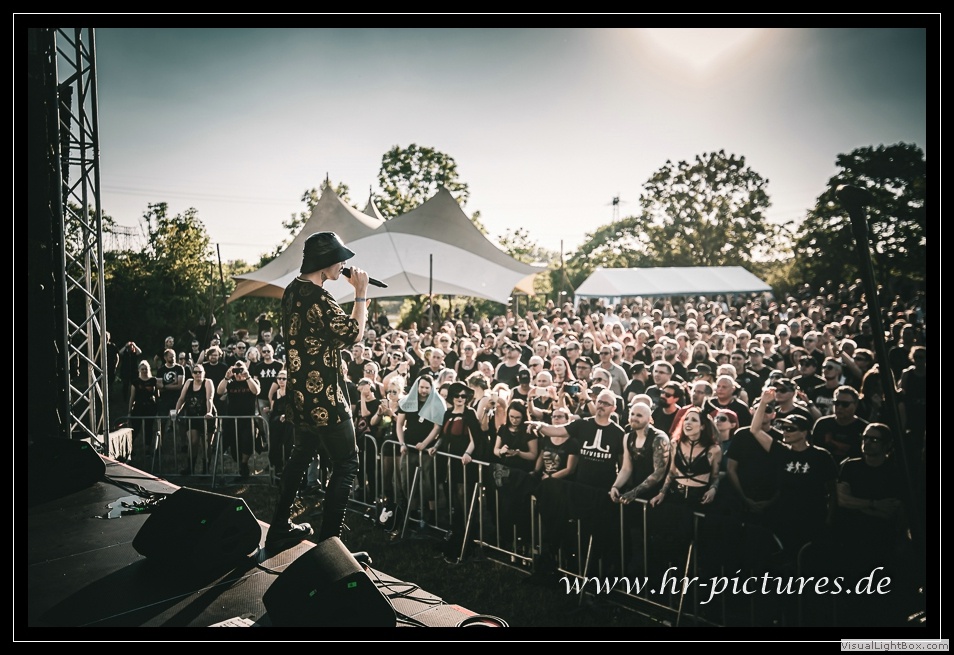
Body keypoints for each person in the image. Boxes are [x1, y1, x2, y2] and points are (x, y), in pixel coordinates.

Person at [266, 232, 370, 547]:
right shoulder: (320, 298)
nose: (343, 264)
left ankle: (279, 527)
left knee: (300, 457)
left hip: (300, 397)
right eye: (340, 259)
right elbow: (354, 334)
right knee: (347, 463)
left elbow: (323, 338)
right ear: (325, 261)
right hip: (326, 398)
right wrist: (361, 295)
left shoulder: (291, 291)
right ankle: (331, 548)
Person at [395, 375, 445, 525]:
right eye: (421, 387)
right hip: (409, 448)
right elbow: (399, 424)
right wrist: (402, 443)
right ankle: (412, 512)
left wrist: (425, 443)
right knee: (407, 481)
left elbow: (437, 427)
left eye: (427, 388)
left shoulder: (437, 403)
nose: (424, 390)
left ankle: (432, 514)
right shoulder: (408, 401)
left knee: (429, 482)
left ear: (432, 388)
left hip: (427, 451)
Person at [216, 359, 260, 479]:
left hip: (247, 418)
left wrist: (247, 376)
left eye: (241, 369)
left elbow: (256, 391)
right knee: (234, 445)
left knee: (247, 441)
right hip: (232, 418)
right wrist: (226, 377)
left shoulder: (251, 381)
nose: (239, 373)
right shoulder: (230, 383)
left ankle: (244, 464)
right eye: (237, 370)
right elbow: (219, 392)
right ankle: (241, 464)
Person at [174, 363, 216, 475]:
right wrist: (176, 411)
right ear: (192, 374)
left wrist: (209, 412)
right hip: (192, 416)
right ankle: (190, 467)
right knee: (193, 442)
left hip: (206, 416)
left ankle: (206, 469)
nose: (198, 374)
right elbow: (181, 398)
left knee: (206, 444)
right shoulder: (188, 382)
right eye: (195, 372)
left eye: (200, 372)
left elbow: (209, 398)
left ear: (204, 373)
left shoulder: (208, 382)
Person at [128, 360, 159, 463]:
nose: (144, 371)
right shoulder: (135, 382)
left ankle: (147, 450)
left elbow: (157, 395)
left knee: (149, 428)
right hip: (138, 407)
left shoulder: (153, 380)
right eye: (142, 369)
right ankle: (130, 449)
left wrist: (158, 407)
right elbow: (132, 397)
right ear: (139, 370)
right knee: (135, 429)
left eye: (146, 369)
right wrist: (129, 410)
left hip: (150, 407)